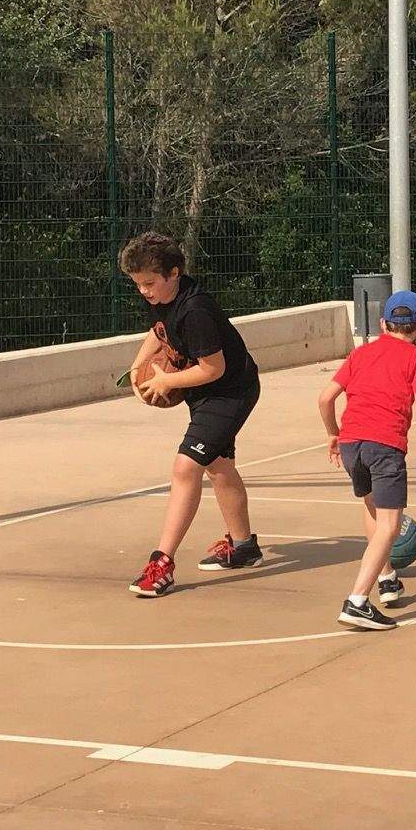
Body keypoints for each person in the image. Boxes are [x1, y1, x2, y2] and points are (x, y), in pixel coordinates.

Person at [121, 232, 263, 598]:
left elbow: (213, 368)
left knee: (186, 467)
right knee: (218, 466)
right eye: (138, 284)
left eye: (149, 283)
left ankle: (162, 564)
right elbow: (159, 330)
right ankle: (244, 547)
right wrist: (136, 368)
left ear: (174, 272)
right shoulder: (165, 297)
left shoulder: (196, 309)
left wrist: (168, 380)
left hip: (229, 392)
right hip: (207, 396)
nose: (144, 292)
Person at [317, 292, 416, 629]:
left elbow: (325, 397)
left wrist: (333, 433)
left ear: (383, 323)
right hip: (384, 444)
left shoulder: (361, 353)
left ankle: (387, 577)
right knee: (390, 523)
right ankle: (357, 601)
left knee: (371, 507)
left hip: (351, 444)